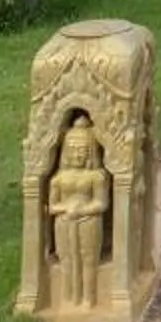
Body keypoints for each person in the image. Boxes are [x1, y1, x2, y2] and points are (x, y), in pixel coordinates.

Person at [47, 115, 111, 311]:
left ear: (90, 152)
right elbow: (51, 206)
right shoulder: (58, 179)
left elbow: (101, 203)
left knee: (88, 259)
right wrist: (66, 209)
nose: (76, 155)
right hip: (64, 222)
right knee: (66, 258)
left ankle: (88, 298)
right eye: (72, 150)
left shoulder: (96, 177)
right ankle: (69, 296)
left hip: (88, 221)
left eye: (82, 150)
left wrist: (83, 209)